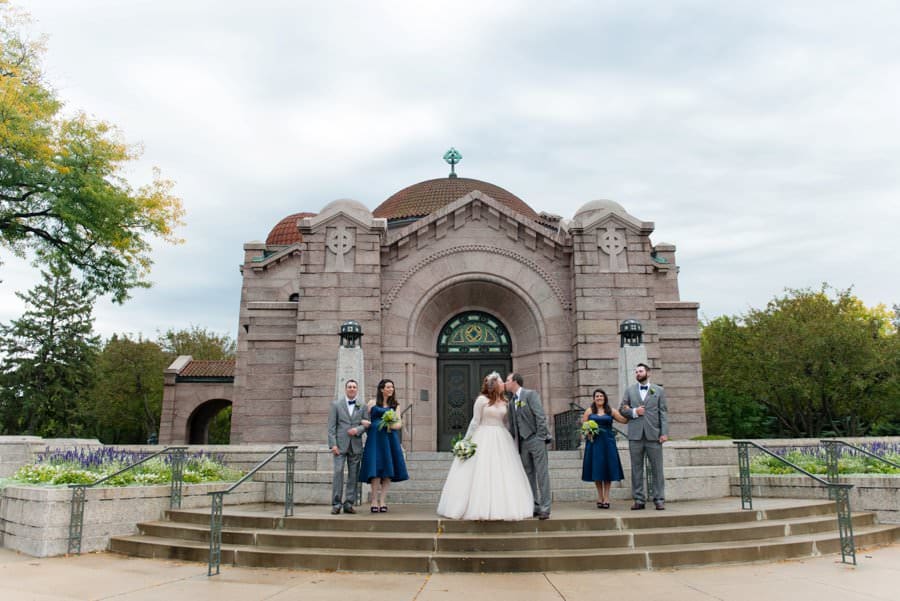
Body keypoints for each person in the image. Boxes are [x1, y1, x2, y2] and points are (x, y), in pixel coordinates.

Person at [437, 372, 533, 520]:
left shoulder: (505, 401)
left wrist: (514, 442)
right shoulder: (481, 400)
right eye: (500, 382)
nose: (503, 384)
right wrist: (466, 441)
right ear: (493, 385)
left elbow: (507, 423)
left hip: (502, 438)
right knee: (481, 471)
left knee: (503, 472)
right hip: (483, 436)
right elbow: (475, 421)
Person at [619, 363, 669, 510]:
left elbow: (663, 413)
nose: (638, 374)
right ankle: (639, 499)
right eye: (636, 372)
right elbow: (622, 409)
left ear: (648, 373)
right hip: (635, 436)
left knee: (657, 469)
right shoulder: (630, 390)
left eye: (640, 371)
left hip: (654, 435)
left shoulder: (659, 390)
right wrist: (634, 411)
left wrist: (664, 432)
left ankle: (659, 499)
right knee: (636, 469)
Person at [505, 372, 552, 520]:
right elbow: (513, 425)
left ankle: (545, 508)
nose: (506, 383)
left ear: (515, 381)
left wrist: (540, 437)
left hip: (536, 439)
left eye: (507, 380)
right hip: (523, 443)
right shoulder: (511, 402)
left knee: (542, 474)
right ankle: (534, 506)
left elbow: (540, 416)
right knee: (528, 475)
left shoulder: (530, 395)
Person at [359, 379, 409, 513]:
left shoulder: (395, 405)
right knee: (375, 469)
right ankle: (374, 500)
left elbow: (399, 424)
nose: (391, 389)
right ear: (382, 389)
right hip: (375, 439)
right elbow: (364, 417)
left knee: (387, 470)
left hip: (389, 439)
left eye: (392, 387)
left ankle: (382, 500)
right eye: (388, 387)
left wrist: (389, 423)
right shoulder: (372, 403)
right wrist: (364, 422)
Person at [581, 388, 627, 508]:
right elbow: (584, 426)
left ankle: (606, 498)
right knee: (597, 469)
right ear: (594, 399)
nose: (599, 398)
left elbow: (623, 420)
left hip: (608, 443)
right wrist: (588, 433)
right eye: (597, 396)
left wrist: (631, 411)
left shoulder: (611, 410)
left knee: (607, 468)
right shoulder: (589, 411)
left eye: (601, 396)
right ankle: (600, 497)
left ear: (605, 398)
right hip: (594, 443)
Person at [327, 379, 368, 514]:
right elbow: (331, 427)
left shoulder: (362, 405)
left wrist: (358, 429)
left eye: (354, 387)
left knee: (353, 475)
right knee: (338, 473)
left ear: (357, 389)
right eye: (349, 387)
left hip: (355, 445)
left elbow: (366, 424)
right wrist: (333, 444)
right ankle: (336, 504)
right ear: (346, 389)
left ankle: (349, 503)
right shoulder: (336, 405)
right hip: (340, 445)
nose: (352, 389)